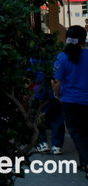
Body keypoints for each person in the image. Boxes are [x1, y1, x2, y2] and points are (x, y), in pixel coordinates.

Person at [53, 25, 88, 175]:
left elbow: (56, 82)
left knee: (77, 133)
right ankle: (84, 163)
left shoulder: (61, 57)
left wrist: (57, 95)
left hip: (70, 102)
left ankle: (86, 162)